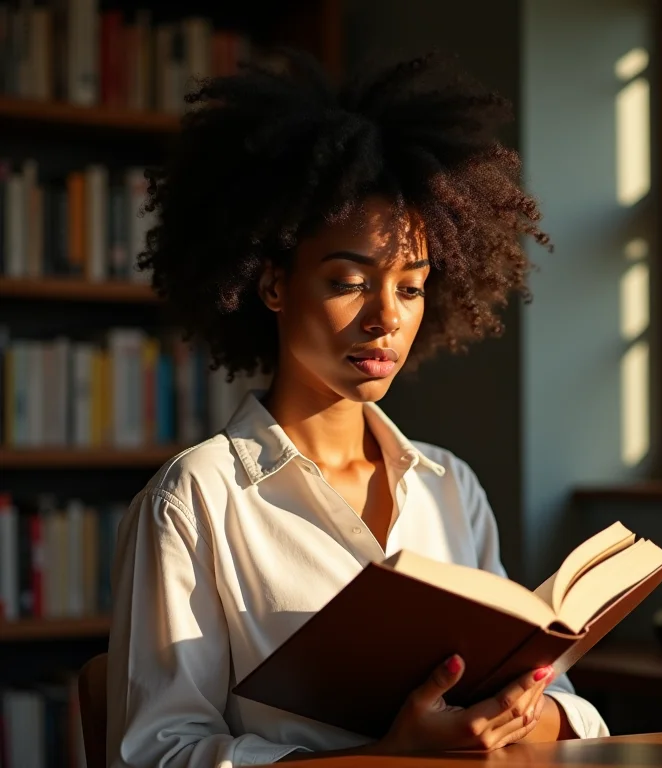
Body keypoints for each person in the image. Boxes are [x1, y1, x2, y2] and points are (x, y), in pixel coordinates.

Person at [106, 49, 608, 767]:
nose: (385, 319)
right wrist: (392, 756)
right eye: (349, 280)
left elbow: (576, 712)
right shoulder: (195, 501)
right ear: (273, 284)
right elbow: (155, 755)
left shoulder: (449, 487)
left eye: (410, 287)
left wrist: (519, 717)